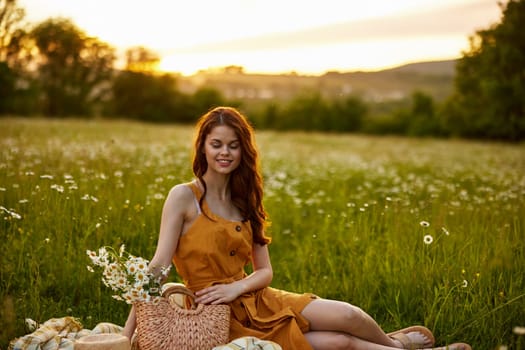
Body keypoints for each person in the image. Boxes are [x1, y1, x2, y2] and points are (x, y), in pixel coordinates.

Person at [121, 106, 471, 350]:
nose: (224, 153)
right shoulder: (184, 197)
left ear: (244, 150)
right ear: (203, 147)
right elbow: (159, 266)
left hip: (256, 298)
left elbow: (265, 272)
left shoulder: (247, 200)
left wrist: (236, 288)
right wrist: (127, 335)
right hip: (215, 315)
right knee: (339, 343)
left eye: (233, 145)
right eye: (216, 144)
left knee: (348, 314)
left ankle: (393, 343)